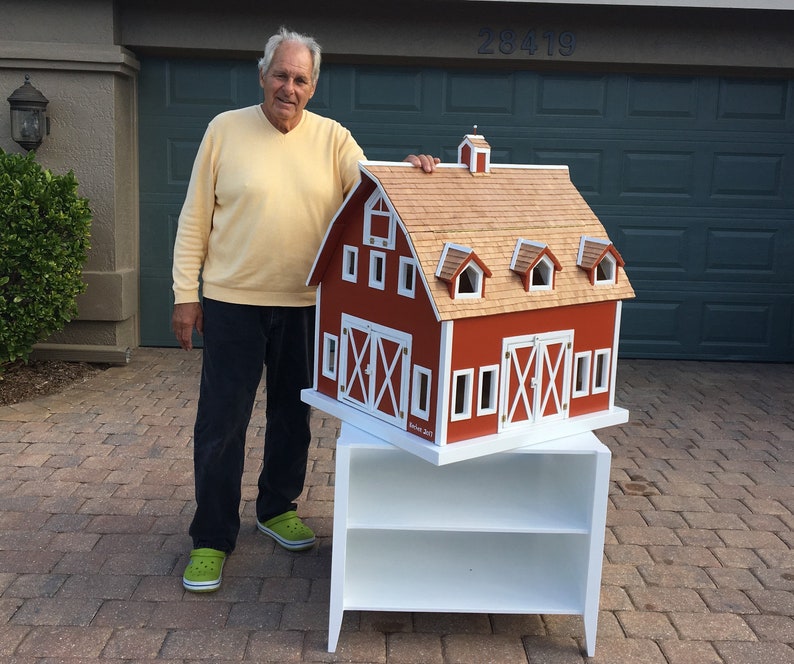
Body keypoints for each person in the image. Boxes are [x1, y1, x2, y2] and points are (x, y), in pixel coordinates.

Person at [172, 26, 439, 593]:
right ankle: (212, 537)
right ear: (263, 75)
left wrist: (411, 175)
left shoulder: (334, 139)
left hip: (307, 306)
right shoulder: (223, 131)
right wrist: (184, 294)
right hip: (232, 303)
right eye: (280, 75)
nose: (288, 87)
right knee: (222, 424)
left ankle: (276, 508)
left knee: (294, 419)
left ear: (312, 86)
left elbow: (373, 194)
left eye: (300, 78)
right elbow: (194, 217)